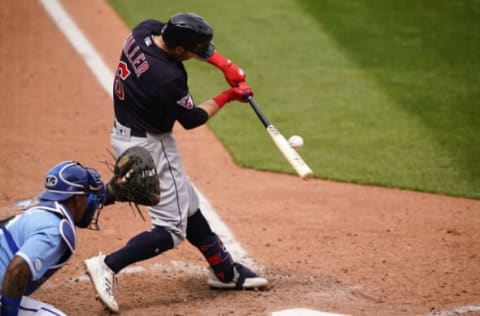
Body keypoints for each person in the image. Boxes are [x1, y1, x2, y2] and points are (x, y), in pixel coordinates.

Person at [84, 12, 268, 313]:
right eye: (195, 52)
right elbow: (192, 119)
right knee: (171, 229)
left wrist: (226, 65)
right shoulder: (168, 76)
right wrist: (229, 95)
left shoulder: (144, 32)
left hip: (126, 134)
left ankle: (224, 271)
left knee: (187, 203)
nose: (198, 56)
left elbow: (166, 33)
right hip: (151, 146)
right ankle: (107, 264)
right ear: (180, 50)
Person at [0, 161, 106, 316]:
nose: (91, 202)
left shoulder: (27, 206)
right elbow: (17, 271)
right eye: (87, 196)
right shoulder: (55, 229)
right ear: (77, 199)